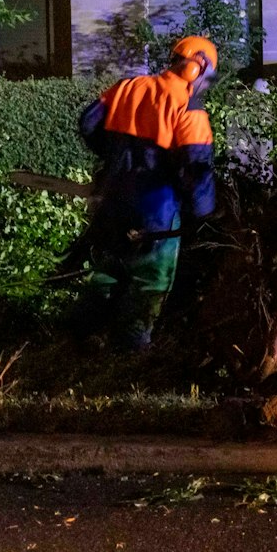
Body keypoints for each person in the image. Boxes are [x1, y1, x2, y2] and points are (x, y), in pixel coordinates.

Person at [73, 36, 219, 350]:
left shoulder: (128, 87)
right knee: (150, 280)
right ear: (198, 69)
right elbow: (197, 167)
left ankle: (80, 336)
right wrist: (205, 213)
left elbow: (87, 123)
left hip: (113, 200)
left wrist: (112, 158)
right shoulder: (188, 107)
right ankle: (130, 350)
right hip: (156, 209)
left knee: (108, 269)